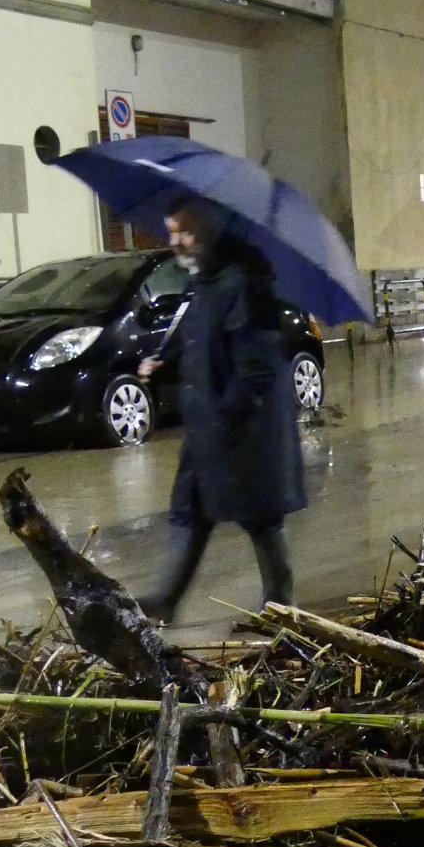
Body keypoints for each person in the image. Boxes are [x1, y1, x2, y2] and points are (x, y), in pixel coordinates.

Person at [137, 202, 306, 622]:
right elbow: (203, 344)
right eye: (171, 231)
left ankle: (280, 605)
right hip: (208, 426)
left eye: (184, 232)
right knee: (189, 512)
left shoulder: (243, 285)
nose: (174, 241)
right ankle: (164, 601)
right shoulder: (205, 283)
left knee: (261, 518)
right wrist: (166, 363)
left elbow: (257, 368)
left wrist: (226, 419)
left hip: (243, 431)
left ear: (209, 232)